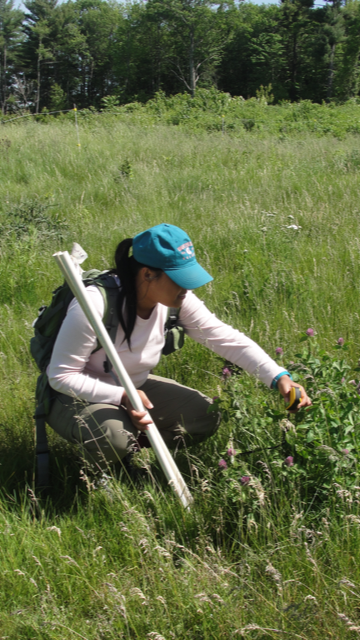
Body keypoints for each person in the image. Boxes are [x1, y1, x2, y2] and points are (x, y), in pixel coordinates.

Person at [46, 223, 311, 470]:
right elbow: (60, 375)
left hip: (134, 388)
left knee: (205, 415)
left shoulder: (178, 300)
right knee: (113, 436)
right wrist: (123, 397)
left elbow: (224, 338)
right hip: (73, 396)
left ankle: (132, 448)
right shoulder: (93, 304)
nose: (187, 286)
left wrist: (278, 376)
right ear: (147, 274)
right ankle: (108, 465)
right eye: (179, 277)